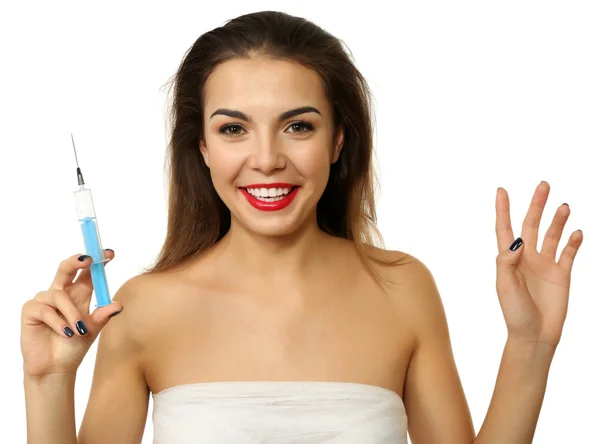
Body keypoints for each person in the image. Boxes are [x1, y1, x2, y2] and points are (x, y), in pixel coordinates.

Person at [21, 10, 583, 444]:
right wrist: (47, 383)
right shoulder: (141, 308)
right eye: (234, 129)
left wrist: (530, 344)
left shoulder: (403, 288)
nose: (266, 159)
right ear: (203, 147)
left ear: (339, 139)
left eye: (297, 126)